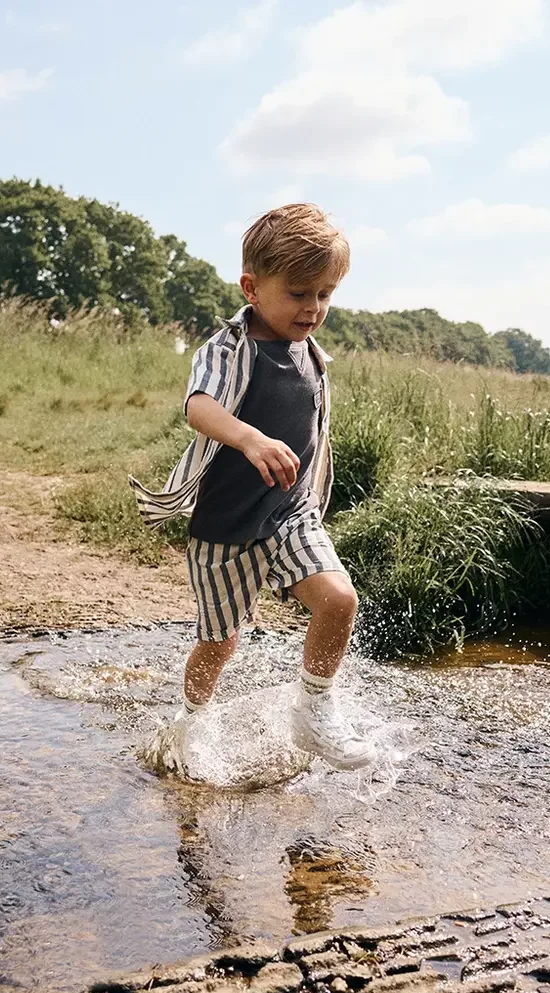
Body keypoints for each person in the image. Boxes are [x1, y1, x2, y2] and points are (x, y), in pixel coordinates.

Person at [129, 203, 374, 773]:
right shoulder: (227, 349)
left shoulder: (311, 355)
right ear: (252, 287)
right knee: (221, 642)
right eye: (298, 293)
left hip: (291, 515)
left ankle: (313, 709)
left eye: (326, 294)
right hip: (225, 528)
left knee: (340, 600)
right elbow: (199, 406)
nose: (313, 308)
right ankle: (191, 722)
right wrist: (249, 439)